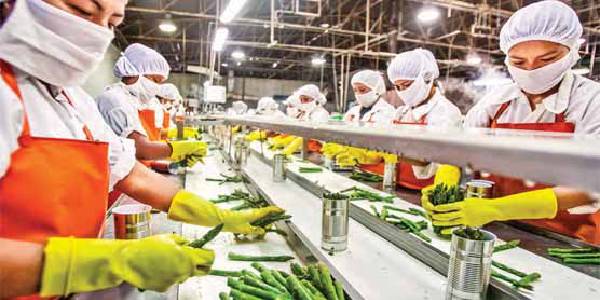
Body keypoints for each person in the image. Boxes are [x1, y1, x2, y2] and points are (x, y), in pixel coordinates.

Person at [0, 0, 282, 298]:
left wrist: (221, 217)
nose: (95, 32)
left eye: (112, 23)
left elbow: (131, 175)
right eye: (82, 10)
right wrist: (112, 262)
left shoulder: (72, 99)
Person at [429, 0, 599, 244]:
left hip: (570, 240)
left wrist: (498, 208)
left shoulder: (591, 101)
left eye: (547, 59)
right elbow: (458, 153)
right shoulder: (496, 101)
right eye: (519, 62)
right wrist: (441, 189)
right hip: (498, 232)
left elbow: (590, 185)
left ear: (573, 52)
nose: (531, 69)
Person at [97, 43, 203, 162]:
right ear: (134, 72)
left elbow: (148, 136)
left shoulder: (135, 100)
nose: (157, 87)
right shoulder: (113, 99)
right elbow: (141, 150)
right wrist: (180, 148)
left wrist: (172, 137)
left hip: (136, 167)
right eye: (155, 80)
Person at [386, 48, 463, 190]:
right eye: (397, 86)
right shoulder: (402, 112)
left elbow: (432, 159)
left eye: (407, 85)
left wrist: (391, 154)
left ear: (427, 78)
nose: (402, 91)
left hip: (428, 190)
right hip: (397, 186)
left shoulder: (446, 113)